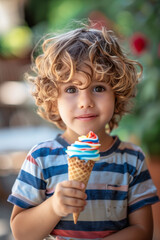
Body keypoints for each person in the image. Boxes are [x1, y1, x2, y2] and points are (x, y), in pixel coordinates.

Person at [8, 24, 159, 240]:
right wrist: (53, 207)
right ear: (53, 98)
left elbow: (143, 231)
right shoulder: (40, 159)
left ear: (117, 93)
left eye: (98, 88)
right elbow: (21, 233)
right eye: (71, 89)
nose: (85, 102)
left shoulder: (132, 159)